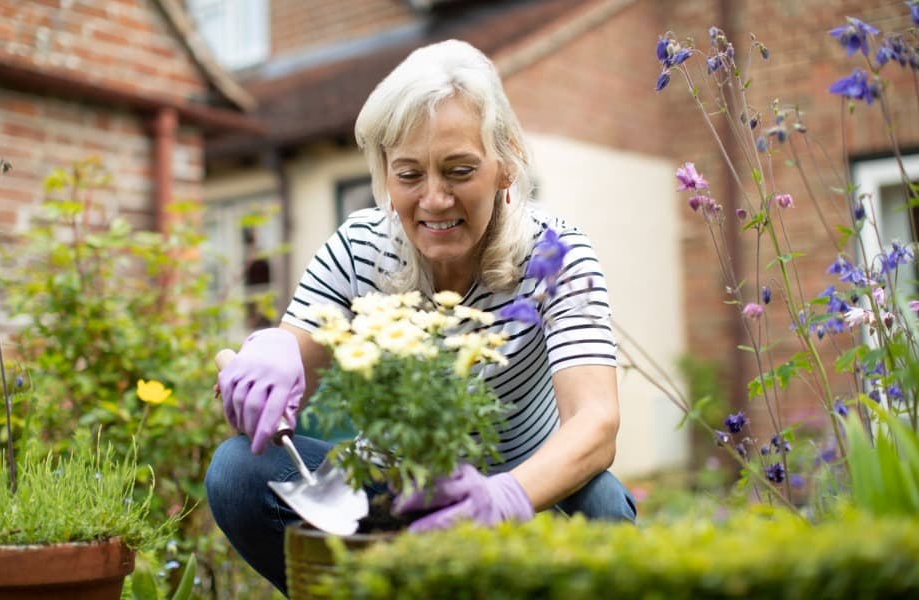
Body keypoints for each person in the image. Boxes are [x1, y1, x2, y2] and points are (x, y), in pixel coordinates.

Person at [205, 38, 636, 595]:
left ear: (505, 165)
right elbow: (290, 388)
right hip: (393, 496)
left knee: (602, 504)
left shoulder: (556, 254)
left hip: (526, 497)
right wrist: (271, 357)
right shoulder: (359, 247)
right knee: (240, 472)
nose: (433, 200)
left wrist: (504, 498)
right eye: (408, 175)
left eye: (458, 171)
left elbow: (595, 423)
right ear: (385, 173)